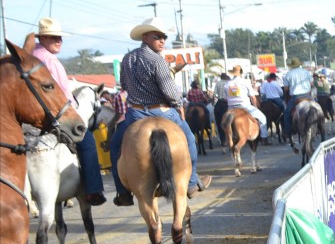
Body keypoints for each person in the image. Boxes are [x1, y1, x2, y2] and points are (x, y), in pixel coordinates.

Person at [109, 18, 210, 206]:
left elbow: (123, 84)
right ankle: (191, 182)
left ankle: (122, 192)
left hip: (135, 114)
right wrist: (178, 103)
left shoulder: (127, 59)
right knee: (189, 139)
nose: (162, 40)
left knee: (115, 146)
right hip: (162, 112)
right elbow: (169, 91)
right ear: (145, 37)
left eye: (164, 37)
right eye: (158, 37)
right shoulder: (158, 61)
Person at [28, 18, 106, 206]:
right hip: (57, 113)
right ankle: (93, 190)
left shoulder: (32, 55)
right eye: (54, 37)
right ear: (43, 39)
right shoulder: (50, 60)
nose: (58, 41)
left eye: (60, 38)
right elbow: (60, 92)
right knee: (87, 141)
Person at [225, 66, 268, 139]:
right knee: (263, 118)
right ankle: (264, 137)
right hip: (244, 105)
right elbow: (252, 97)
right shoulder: (245, 82)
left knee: (224, 123)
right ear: (241, 73)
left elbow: (226, 97)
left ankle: (227, 138)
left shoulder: (227, 83)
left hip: (231, 107)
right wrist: (255, 107)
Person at [283, 57, 313, 138]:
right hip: (307, 95)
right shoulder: (306, 72)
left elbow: (285, 89)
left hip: (296, 97)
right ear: (299, 64)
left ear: (292, 65)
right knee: (317, 107)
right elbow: (312, 84)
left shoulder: (288, 74)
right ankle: (320, 126)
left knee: (287, 113)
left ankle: (287, 131)